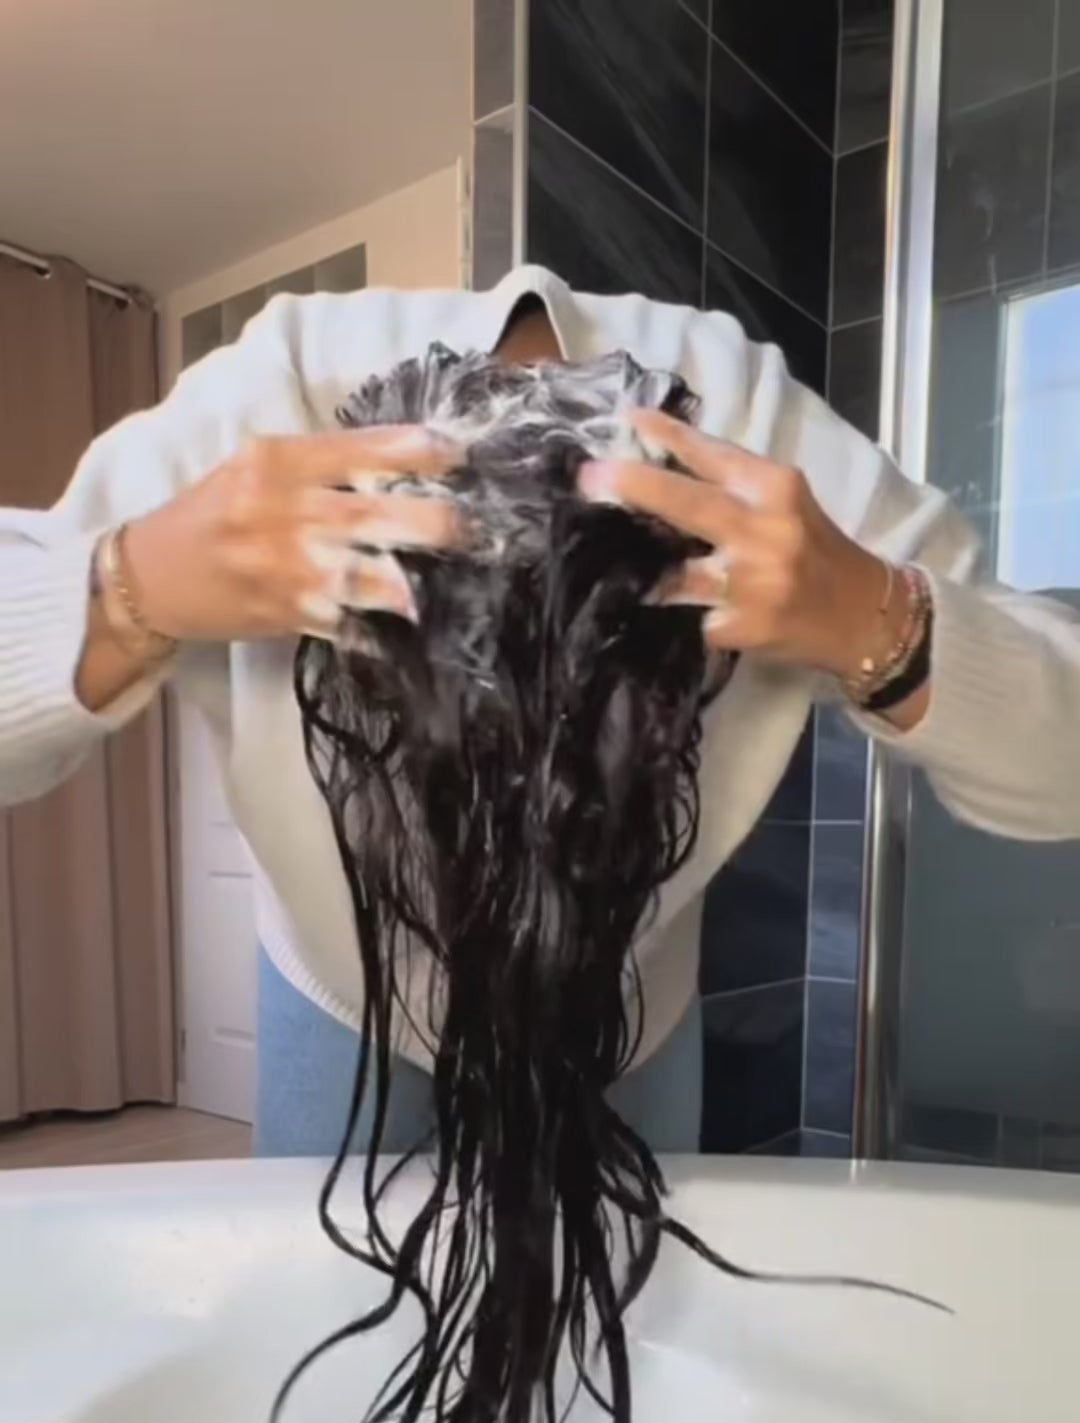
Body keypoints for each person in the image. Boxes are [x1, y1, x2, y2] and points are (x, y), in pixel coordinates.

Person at [3, 263, 1080, 1157]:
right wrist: (125, 590)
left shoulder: (752, 422)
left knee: (639, 1320)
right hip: (342, 997)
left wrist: (875, 618)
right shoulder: (276, 391)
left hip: (626, 1009)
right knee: (332, 1323)